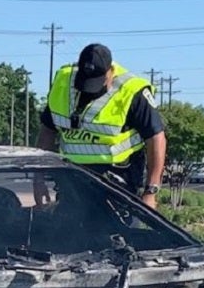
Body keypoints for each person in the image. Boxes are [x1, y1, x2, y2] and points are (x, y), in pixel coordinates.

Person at [36, 43, 166, 209]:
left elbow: (156, 138)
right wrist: (38, 180)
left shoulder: (132, 91)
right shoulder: (63, 83)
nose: (90, 90)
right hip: (73, 180)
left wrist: (151, 192)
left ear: (110, 72)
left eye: (97, 82)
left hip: (118, 183)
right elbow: (47, 131)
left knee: (117, 234)